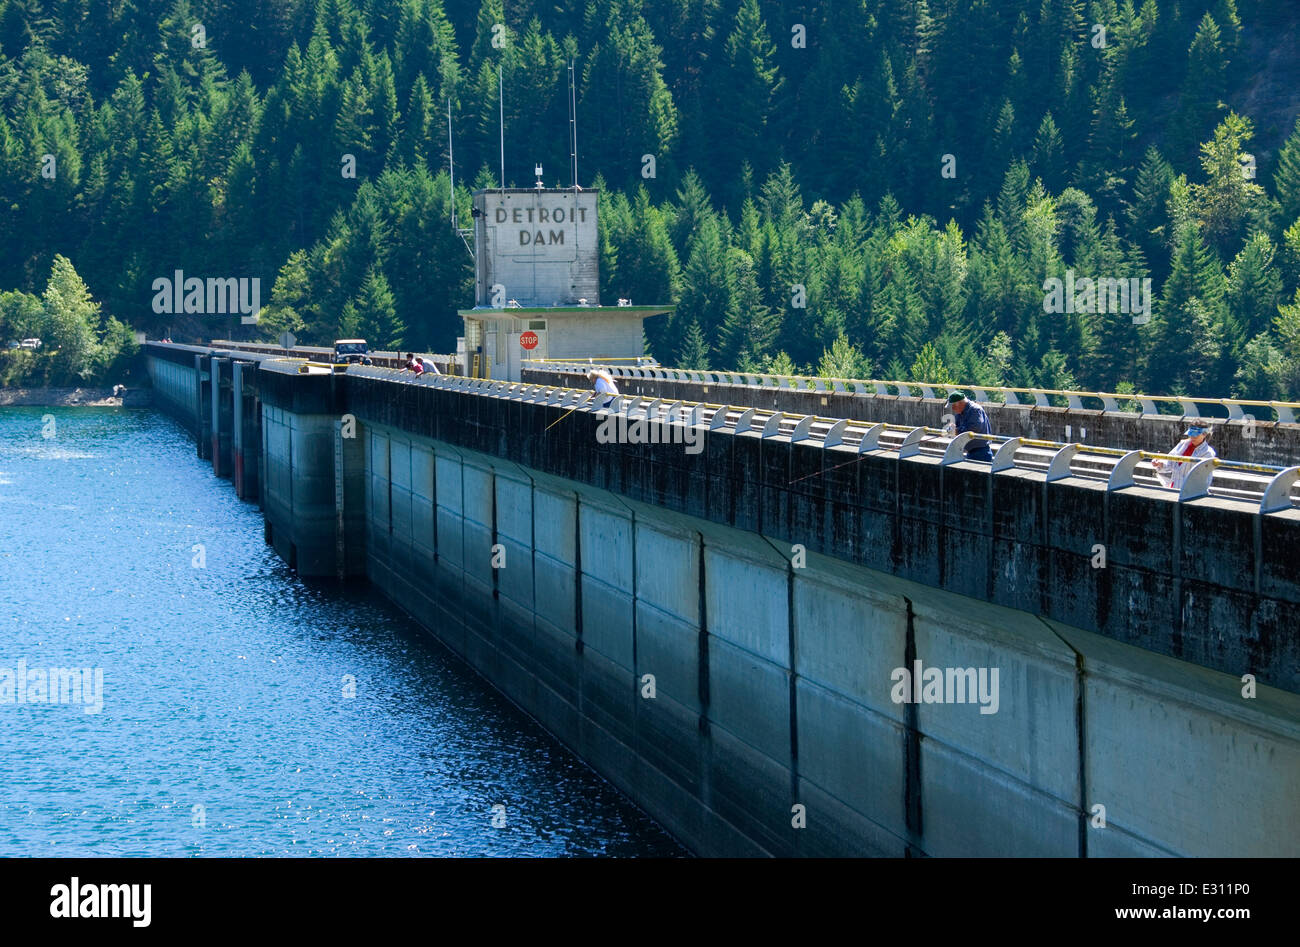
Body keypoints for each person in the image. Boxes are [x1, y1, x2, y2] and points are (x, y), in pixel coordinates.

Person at [1153, 425, 1216, 490]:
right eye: (1191, 434)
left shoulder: (1208, 453)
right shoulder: (1182, 444)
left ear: (1204, 435)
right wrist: (1161, 463)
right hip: (1175, 487)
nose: (1192, 437)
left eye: (1196, 435)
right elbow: (1170, 461)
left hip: (1192, 490)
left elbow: (1204, 477)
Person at [945, 391, 994, 462]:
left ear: (960, 403)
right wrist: (950, 429)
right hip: (971, 451)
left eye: (953, 406)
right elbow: (956, 426)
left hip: (981, 452)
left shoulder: (975, 410)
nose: (953, 409)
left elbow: (975, 428)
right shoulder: (960, 412)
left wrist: (956, 430)